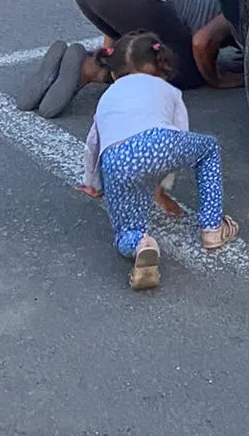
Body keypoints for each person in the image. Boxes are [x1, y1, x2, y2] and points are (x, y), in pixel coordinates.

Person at [77, 32, 237, 291]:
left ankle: (141, 245)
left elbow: (93, 145)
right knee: (208, 148)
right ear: (160, 66)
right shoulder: (169, 91)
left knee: (126, 230)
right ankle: (212, 228)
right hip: (159, 142)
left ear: (114, 73)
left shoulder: (107, 97)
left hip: (116, 159)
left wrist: (93, 183)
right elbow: (179, 134)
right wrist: (162, 188)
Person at [16, 0, 240, 118]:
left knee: (136, 50)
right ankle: (88, 69)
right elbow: (202, 42)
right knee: (184, 72)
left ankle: (71, 65)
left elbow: (125, 26)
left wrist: (111, 54)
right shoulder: (238, 8)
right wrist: (217, 79)